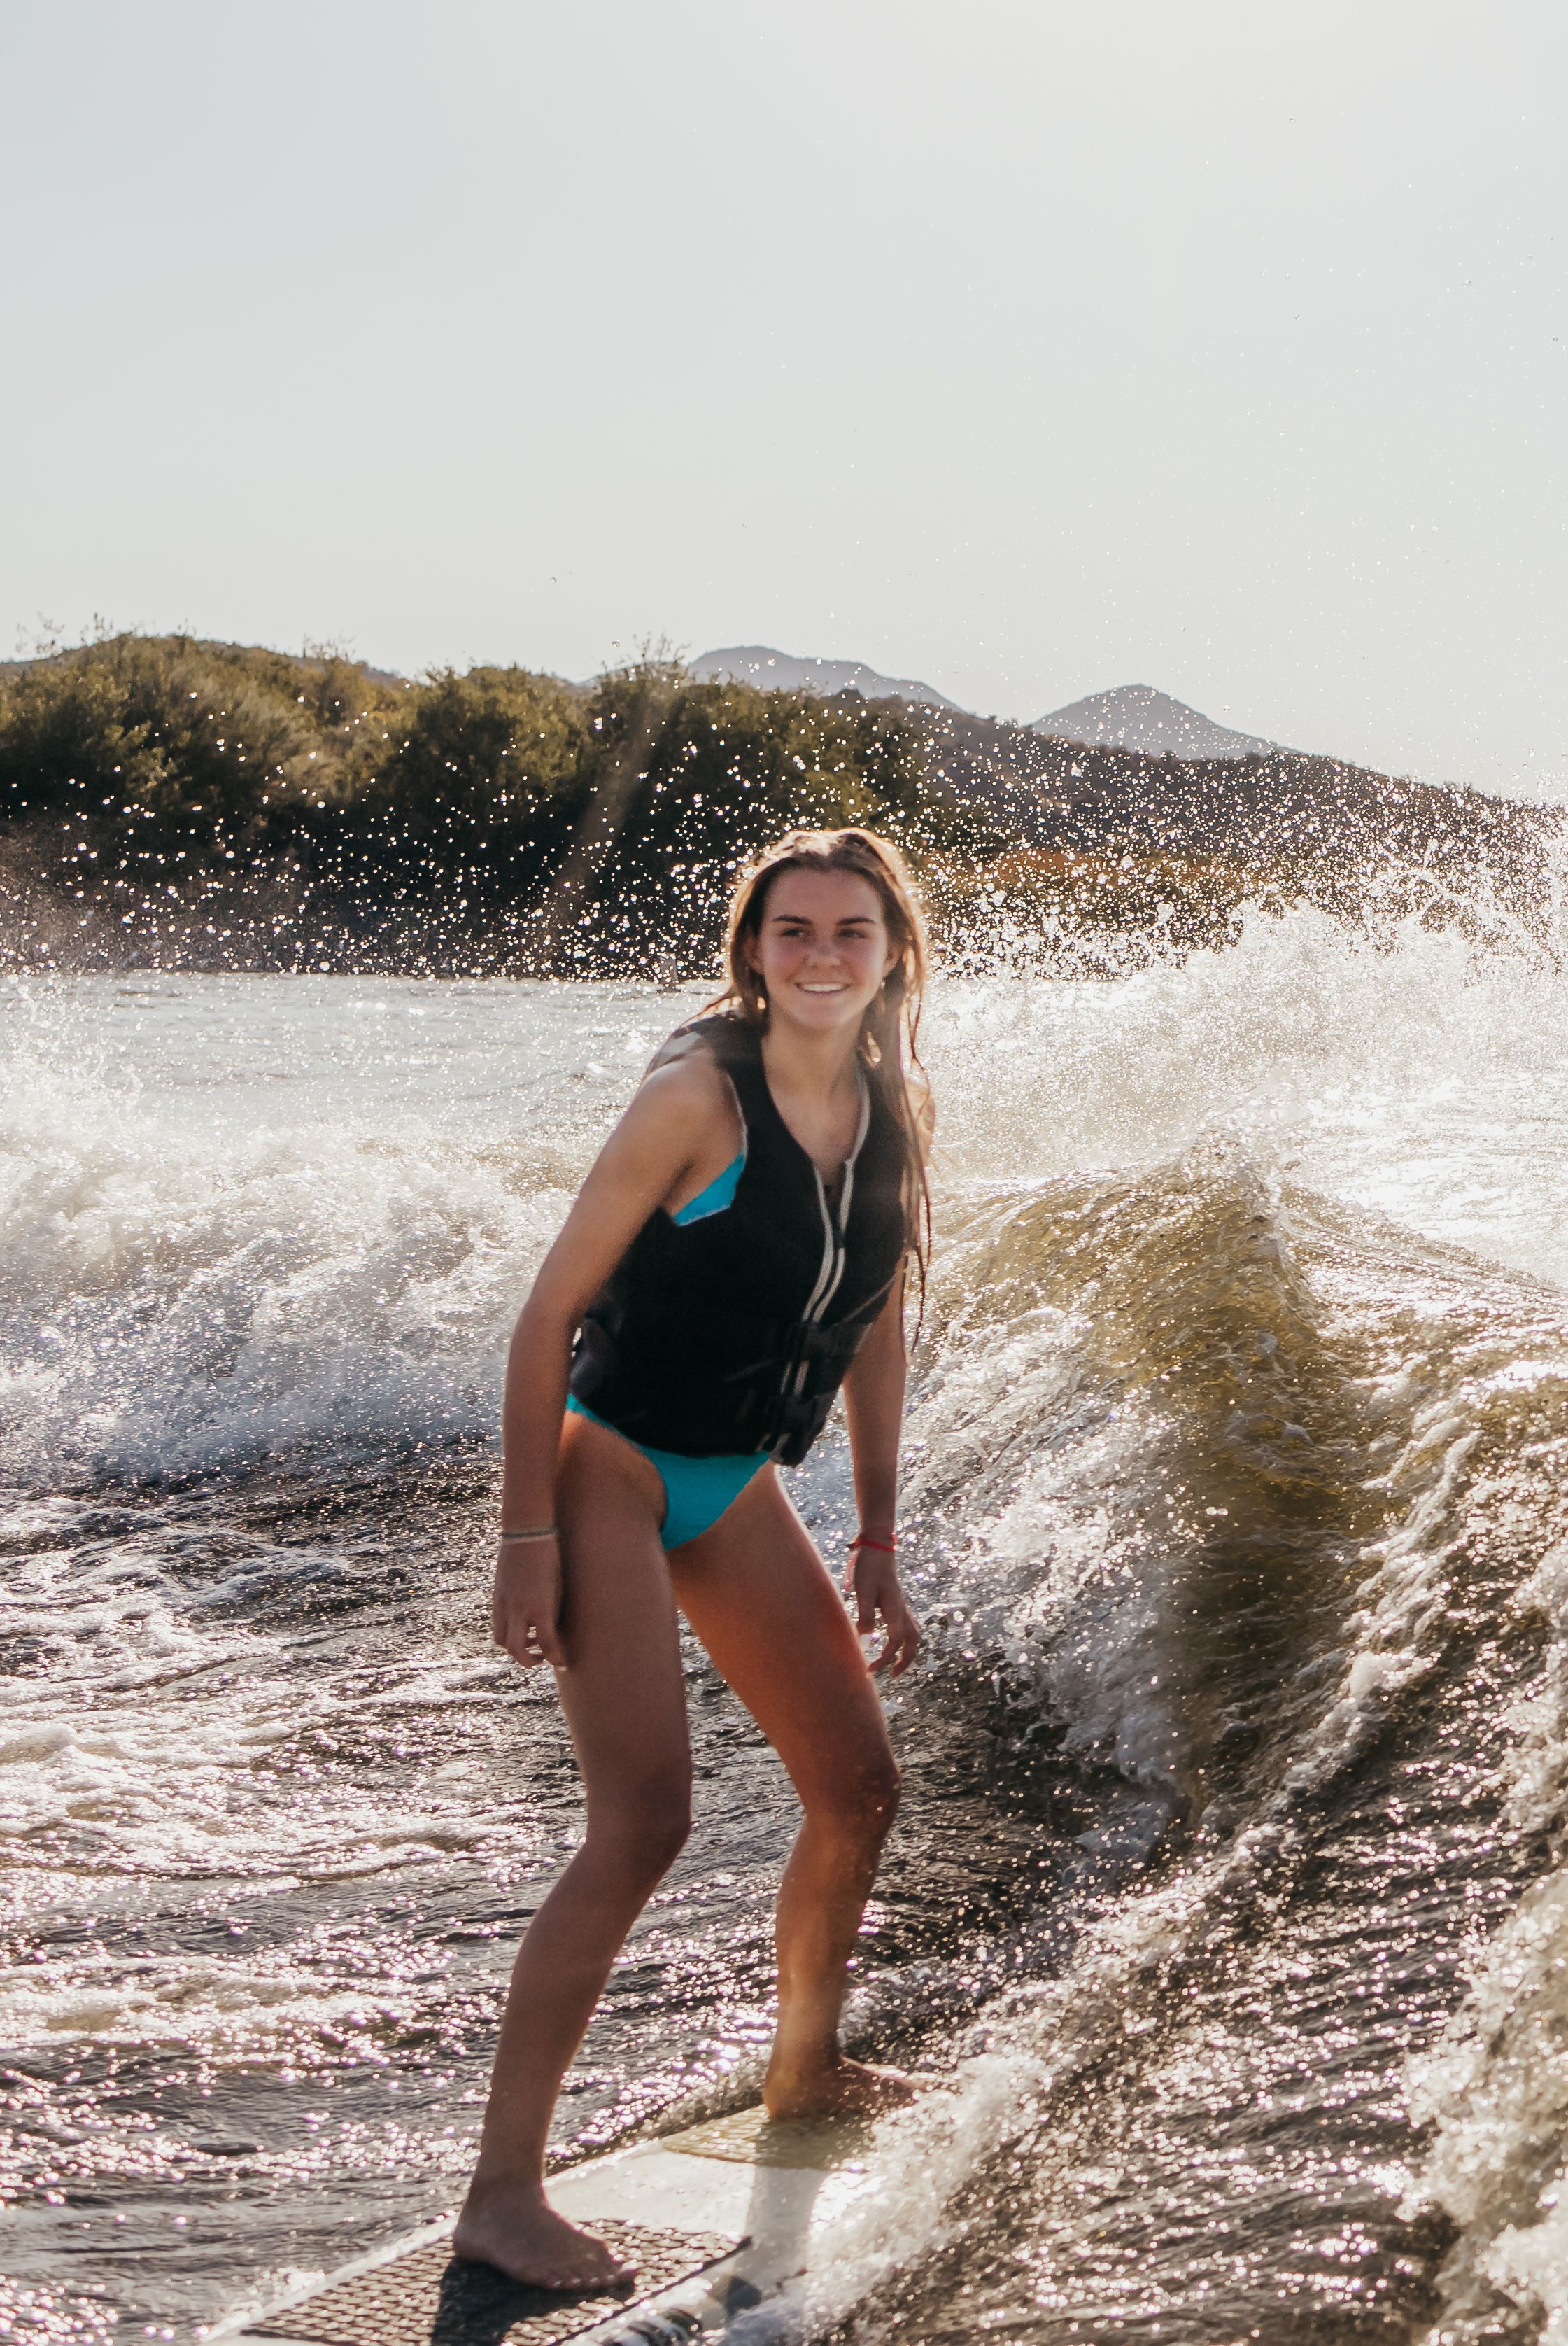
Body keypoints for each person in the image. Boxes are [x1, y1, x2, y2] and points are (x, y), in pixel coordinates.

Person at [453, 827, 936, 2289]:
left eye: (851, 932)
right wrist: (526, 1537)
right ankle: (500, 2192)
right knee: (642, 1824)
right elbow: (546, 1318)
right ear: (753, 947)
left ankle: (804, 2069)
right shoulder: (694, 1102)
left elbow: (872, 1323)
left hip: (729, 1484)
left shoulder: (893, 1105)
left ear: (892, 954)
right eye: (793, 931)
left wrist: (875, 1529)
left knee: (858, 1787)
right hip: (606, 1468)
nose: (821, 957)